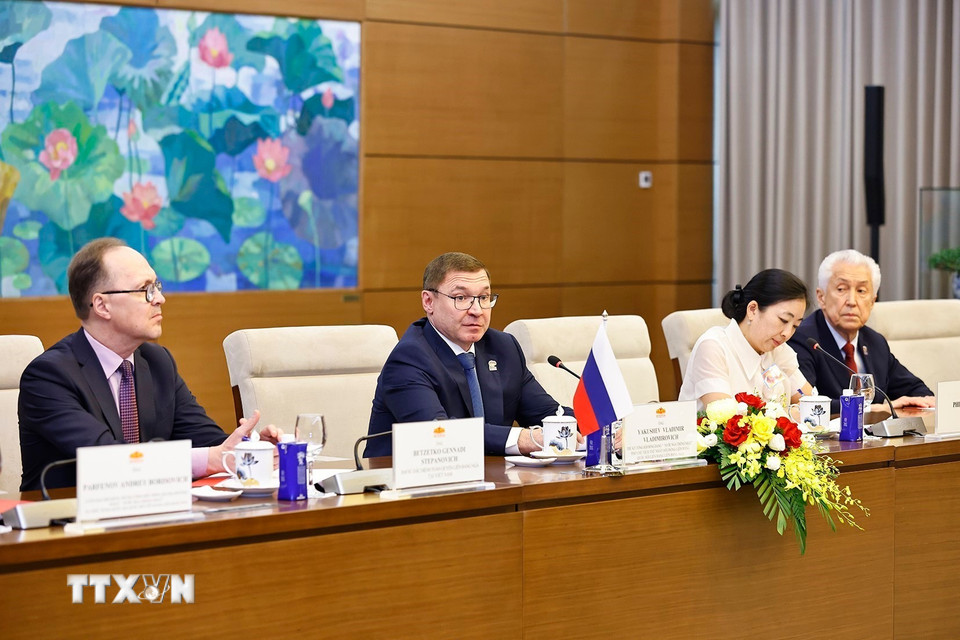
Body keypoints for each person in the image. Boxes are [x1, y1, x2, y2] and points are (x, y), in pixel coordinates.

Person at [18, 238, 280, 490]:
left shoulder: (157, 362)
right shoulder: (49, 376)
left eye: (157, 286)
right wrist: (213, 458)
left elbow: (207, 441)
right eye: (145, 290)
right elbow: (106, 458)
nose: (159, 299)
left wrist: (252, 449)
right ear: (102, 305)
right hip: (67, 516)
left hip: (151, 512)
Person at [366, 252, 572, 457]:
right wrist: (522, 439)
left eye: (483, 298)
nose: (477, 310)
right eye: (461, 298)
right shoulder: (408, 359)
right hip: (403, 477)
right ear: (428, 302)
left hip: (491, 474)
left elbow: (547, 414)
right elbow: (439, 434)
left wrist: (585, 424)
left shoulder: (503, 347)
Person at [788, 249, 935, 414]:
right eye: (841, 289)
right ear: (821, 297)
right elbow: (805, 404)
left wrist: (922, 402)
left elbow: (918, 391)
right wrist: (873, 409)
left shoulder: (875, 342)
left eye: (861, 291)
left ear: (872, 302)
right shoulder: (803, 340)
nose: (852, 301)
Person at [679, 269, 813, 410]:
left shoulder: (779, 351)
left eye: (795, 326)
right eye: (783, 320)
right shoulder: (713, 347)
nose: (787, 333)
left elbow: (811, 403)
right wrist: (792, 415)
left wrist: (794, 413)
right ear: (752, 309)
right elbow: (727, 419)